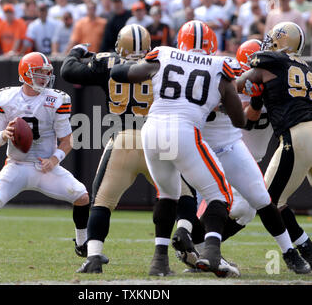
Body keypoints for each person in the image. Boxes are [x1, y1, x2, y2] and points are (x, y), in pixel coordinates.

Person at [111, 20, 246, 276]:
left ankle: (159, 261)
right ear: (211, 44)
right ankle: (212, 253)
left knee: (167, 194)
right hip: (183, 131)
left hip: (152, 131)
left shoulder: (163, 54)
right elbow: (239, 120)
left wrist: (113, 61)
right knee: (222, 194)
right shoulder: (220, 65)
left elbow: (121, 74)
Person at [61, 24, 198, 275]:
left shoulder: (108, 62)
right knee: (184, 195)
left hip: (122, 138)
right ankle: (183, 233)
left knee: (102, 201)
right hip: (157, 137)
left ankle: (93, 257)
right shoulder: (162, 61)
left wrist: (76, 51)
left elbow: (68, 71)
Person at [173, 38, 311, 275]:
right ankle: (195, 246)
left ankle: (200, 249)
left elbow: (254, 113)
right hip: (219, 151)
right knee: (230, 202)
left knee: (250, 207)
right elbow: (243, 115)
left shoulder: (274, 88)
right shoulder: (231, 78)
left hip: (242, 157)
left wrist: (257, 97)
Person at [0, 52, 90, 263]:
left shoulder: (56, 99)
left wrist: (54, 159)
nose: (44, 78)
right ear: (25, 73)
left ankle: (81, 243)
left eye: (46, 73)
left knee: (82, 196)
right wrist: (3, 135)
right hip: (16, 164)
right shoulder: (6, 97)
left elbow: (67, 141)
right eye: (39, 73)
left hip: (44, 167)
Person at [236, 21, 312, 268]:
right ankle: (304, 246)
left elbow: (242, 80)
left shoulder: (273, 60)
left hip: (297, 135)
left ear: (282, 40)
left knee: (268, 201)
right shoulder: (306, 67)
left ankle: (301, 252)